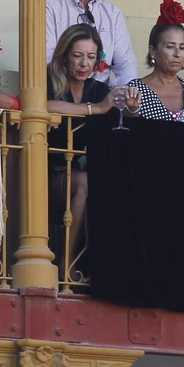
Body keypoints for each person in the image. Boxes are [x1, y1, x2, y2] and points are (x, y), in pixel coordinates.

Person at [44, 23, 127, 267]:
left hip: (76, 172)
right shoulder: (47, 79)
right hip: (42, 172)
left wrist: (131, 109)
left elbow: (116, 124)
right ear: (64, 56)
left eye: (91, 57)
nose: (84, 64)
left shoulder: (98, 89)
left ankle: (100, 267)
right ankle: (66, 266)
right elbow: (43, 105)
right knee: (85, 183)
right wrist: (96, 109)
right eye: (77, 55)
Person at [128, 0, 184, 122]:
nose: (177, 54)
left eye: (182, 47)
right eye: (170, 47)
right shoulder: (134, 91)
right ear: (153, 51)